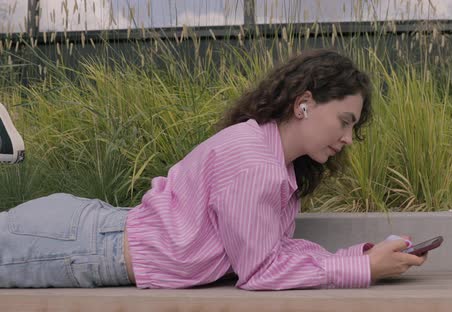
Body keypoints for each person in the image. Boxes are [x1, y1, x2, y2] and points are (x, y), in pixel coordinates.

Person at [0, 49, 427, 290]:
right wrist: (362, 271)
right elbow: (260, 272)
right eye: (345, 121)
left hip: (89, 235)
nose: (349, 138)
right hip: (81, 246)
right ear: (305, 103)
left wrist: (359, 257)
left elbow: (267, 253)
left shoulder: (274, 161)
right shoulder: (255, 163)